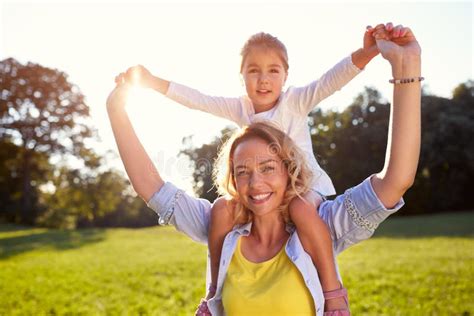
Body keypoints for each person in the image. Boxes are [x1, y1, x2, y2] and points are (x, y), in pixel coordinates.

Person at [106, 23, 422, 315]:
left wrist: (380, 56)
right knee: (221, 208)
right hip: (253, 210)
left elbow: (332, 81)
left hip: (310, 193)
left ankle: (333, 293)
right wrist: (139, 92)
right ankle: (213, 293)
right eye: (242, 170)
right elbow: (196, 103)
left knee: (299, 207)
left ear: (286, 75)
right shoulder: (238, 115)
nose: (263, 79)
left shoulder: (296, 103)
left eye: (268, 167)